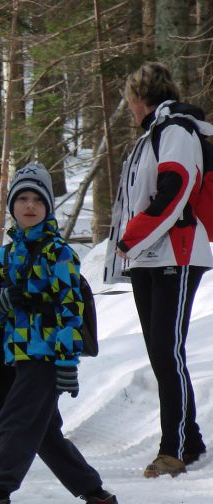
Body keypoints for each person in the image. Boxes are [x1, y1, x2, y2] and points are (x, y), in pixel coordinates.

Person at [0, 162, 122, 504]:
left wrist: (67, 361)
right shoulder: (4, 257)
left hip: (48, 355)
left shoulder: (59, 253)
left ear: (48, 207)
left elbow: (71, 310)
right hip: (20, 353)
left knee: (13, 424)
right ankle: (99, 500)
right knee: (46, 435)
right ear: (12, 206)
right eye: (22, 198)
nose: (30, 205)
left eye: (38, 199)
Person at [105, 61, 212, 478]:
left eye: (128, 100)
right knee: (160, 352)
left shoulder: (176, 131)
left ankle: (175, 448)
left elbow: (176, 188)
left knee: (168, 351)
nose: (128, 108)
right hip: (150, 256)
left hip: (177, 252)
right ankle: (191, 438)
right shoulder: (151, 135)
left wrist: (133, 237)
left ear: (138, 97)